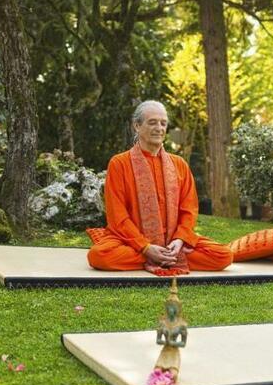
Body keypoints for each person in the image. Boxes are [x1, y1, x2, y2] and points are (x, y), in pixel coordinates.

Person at [87, 100, 233, 274]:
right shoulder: (119, 163)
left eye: (163, 123)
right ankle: (158, 258)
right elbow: (118, 216)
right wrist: (146, 247)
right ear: (137, 126)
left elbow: (189, 210)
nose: (159, 128)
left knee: (223, 255)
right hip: (131, 240)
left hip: (173, 241)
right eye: (152, 122)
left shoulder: (179, 164)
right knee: (99, 256)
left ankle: (164, 256)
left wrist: (179, 240)